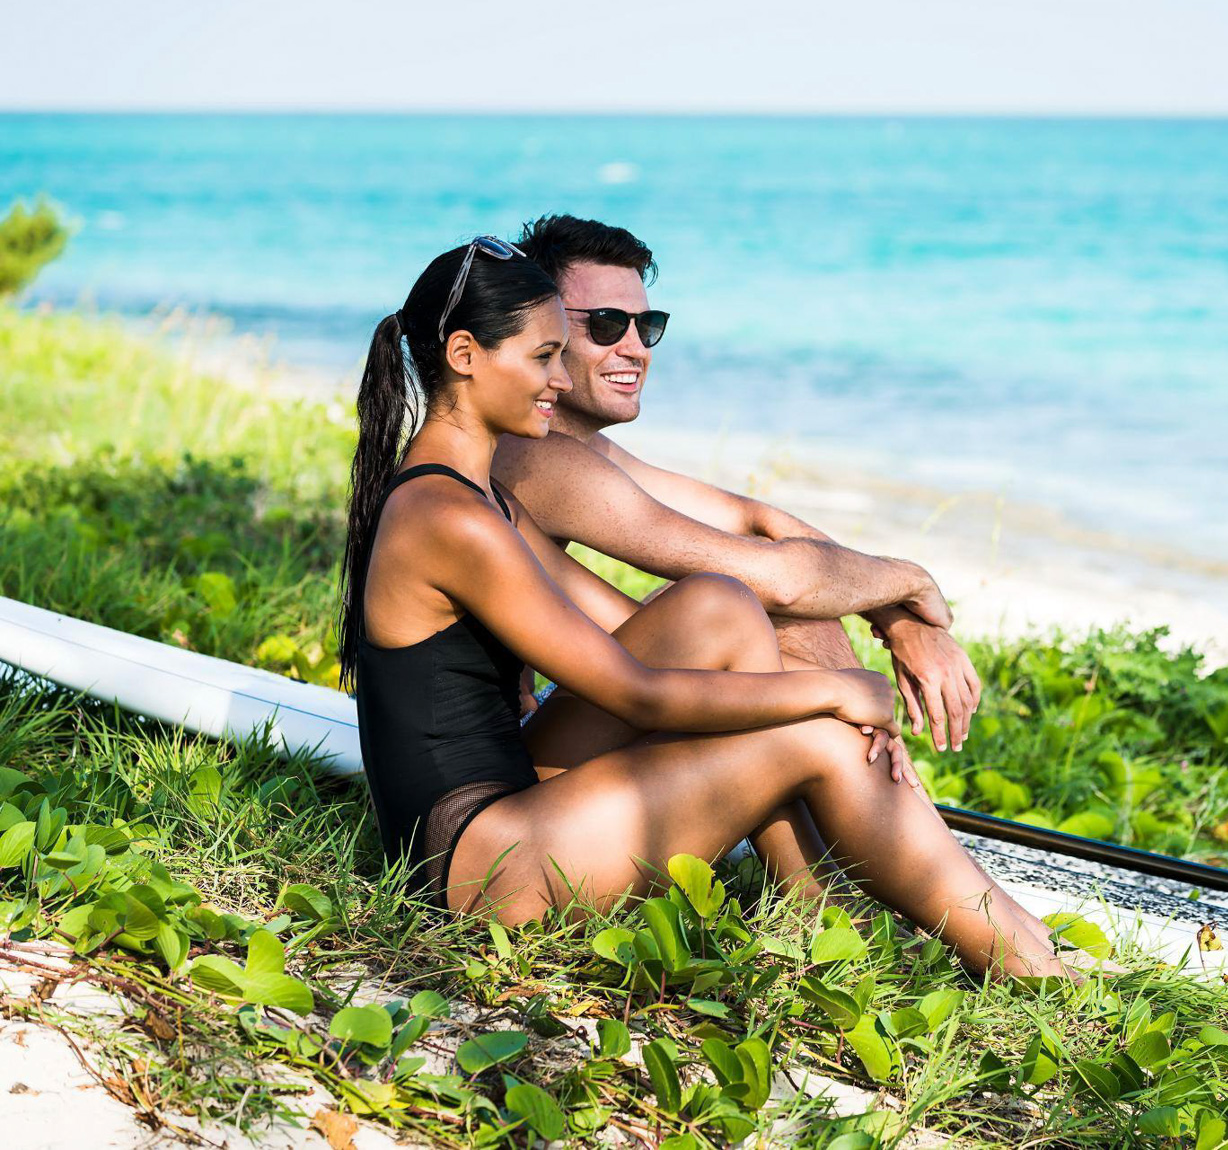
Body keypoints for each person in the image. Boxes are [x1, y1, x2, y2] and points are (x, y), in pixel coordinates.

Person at [338, 235, 1071, 979]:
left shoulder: (483, 498)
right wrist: (832, 692)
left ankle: (823, 911)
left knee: (719, 602)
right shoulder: (449, 518)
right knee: (817, 738)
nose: (559, 378)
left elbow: (633, 633)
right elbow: (636, 692)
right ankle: (1022, 962)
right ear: (465, 355)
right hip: (481, 869)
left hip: (517, 808)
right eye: (543, 357)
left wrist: (817, 681)